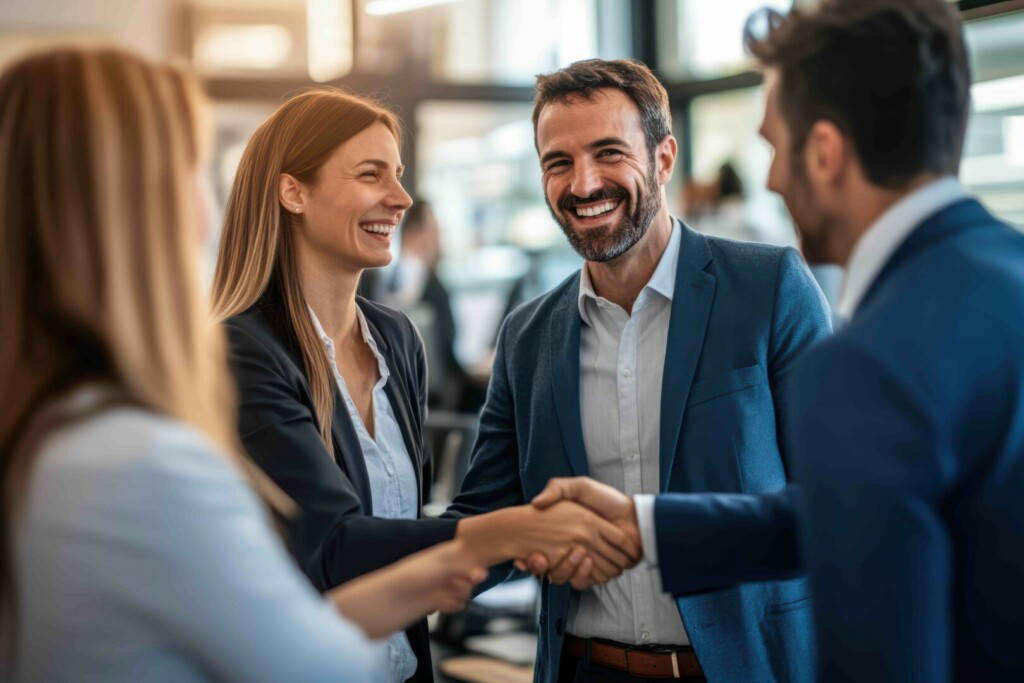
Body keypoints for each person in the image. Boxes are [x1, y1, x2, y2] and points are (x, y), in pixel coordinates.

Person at [528, 1, 1024, 681]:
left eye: (773, 145)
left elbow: (883, 644)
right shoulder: (1005, 278)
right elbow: (842, 511)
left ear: (823, 152)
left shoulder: (872, 356)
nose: (769, 180)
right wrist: (644, 526)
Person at [0, 46, 487, 683]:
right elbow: (313, 646)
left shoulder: (58, 430)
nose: (207, 208)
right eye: (191, 172)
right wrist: (509, 538)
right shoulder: (143, 455)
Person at [211, 88, 640, 683]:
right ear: (293, 192)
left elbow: (403, 534)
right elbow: (335, 548)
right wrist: (515, 532)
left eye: (399, 175)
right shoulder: (243, 350)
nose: (402, 198)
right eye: (371, 175)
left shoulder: (395, 340)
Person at [443, 59, 832, 683]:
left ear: (663, 158)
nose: (583, 183)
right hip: (584, 668)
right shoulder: (526, 335)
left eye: (608, 152)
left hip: (745, 668)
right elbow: (483, 523)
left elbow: (835, 504)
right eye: (558, 162)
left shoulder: (770, 289)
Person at [386, 199, 486, 412]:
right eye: (435, 231)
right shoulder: (422, 280)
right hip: (435, 399)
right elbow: (443, 348)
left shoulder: (392, 278)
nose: (440, 240)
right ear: (416, 233)